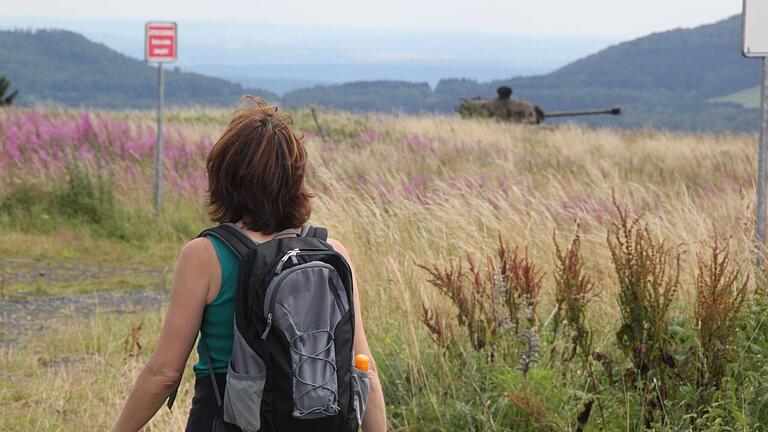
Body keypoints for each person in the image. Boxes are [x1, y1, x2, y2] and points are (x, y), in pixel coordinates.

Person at [110, 97, 387, 432]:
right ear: (295, 177)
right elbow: (365, 370)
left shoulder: (205, 255)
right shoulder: (332, 253)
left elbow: (165, 374)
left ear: (225, 176)